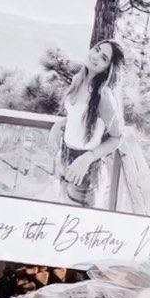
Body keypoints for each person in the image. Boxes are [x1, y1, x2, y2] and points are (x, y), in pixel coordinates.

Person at [48, 40, 126, 207]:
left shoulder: (103, 95)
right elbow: (78, 117)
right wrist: (58, 125)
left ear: (108, 69)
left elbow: (117, 138)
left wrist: (86, 159)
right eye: (97, 49)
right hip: (64, 159)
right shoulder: (79, 79)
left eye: (104, 58)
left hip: (85, 170)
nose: (96, 56)